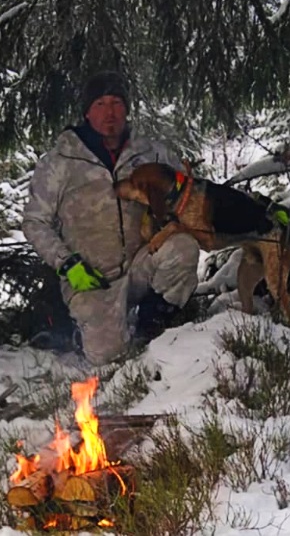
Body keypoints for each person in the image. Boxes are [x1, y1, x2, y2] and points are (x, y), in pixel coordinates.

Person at [22, 71, 199, 364]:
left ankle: (152, 324)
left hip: (143, 263)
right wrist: (66, 263)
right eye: (100, 104)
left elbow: (190, 193)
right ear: (87, 112)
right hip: (92, 280)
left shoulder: (151, 154)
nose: (110, 113)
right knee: (107, 355)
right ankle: (82, 330)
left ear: (127, 109)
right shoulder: (60, 162)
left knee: (182, 248)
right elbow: (34, 222)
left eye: (117, 103)